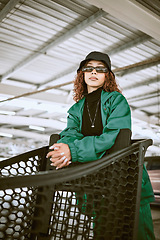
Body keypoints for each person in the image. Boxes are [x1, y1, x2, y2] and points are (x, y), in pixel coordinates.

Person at [47, 51, 155, 239]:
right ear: (82, 74)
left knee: (138, 232)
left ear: (107, 76)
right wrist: (62, 148)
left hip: (125, 178)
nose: (93, 72)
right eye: (88, 68)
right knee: (104, 232)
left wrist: (72, 150)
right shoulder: (76, 109)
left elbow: (111, 138)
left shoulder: (116, 101)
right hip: (98, 183)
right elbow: (70, 133)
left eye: (100, 69)